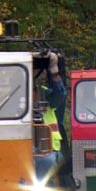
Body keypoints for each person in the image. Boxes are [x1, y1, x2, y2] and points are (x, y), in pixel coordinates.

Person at [34, 52, 66, 180]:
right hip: (21, 151)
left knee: (47, 162)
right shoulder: (8, 101)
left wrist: (54, 72)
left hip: (49, 151)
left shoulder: (44, 95)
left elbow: (60, 94)